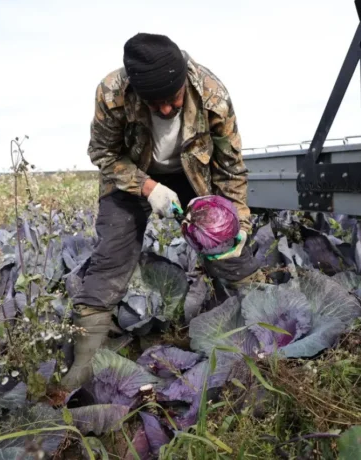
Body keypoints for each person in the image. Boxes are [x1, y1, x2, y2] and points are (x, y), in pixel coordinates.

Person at [62, 32, 264, 389]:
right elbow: (103, 154)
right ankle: (85, 359)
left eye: (173, 99)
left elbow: (231, 170)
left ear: (184, 80)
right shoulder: (112, 94)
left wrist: (240, 225)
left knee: (225, 246)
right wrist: (147, 186)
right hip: (130, 174)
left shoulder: (213, 95)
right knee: (112, 255)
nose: (167, 110)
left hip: (191, 174)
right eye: (156, 104)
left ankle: (263, 316)